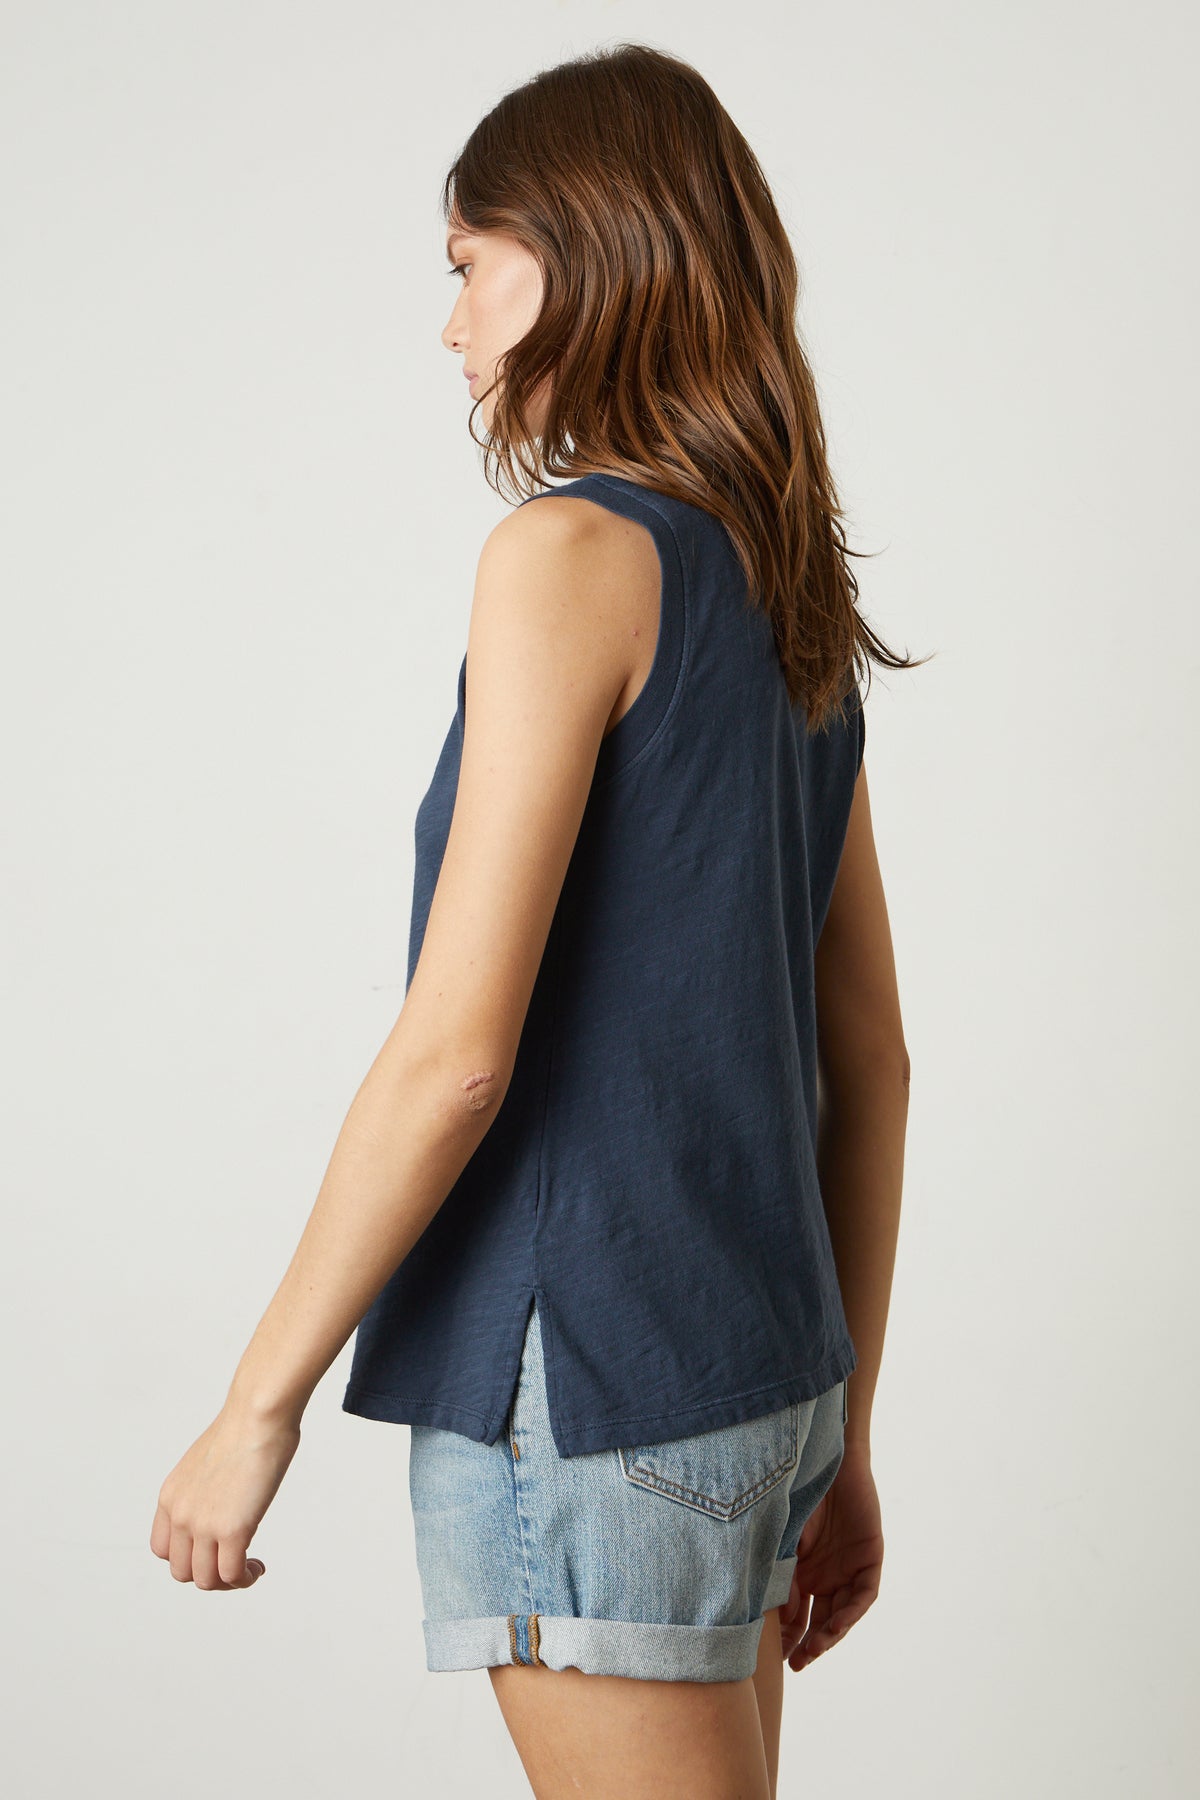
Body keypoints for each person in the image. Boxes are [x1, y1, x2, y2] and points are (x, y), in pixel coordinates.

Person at [150, 42, 918, 1800]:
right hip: (760, 1384)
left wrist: (255, 1404)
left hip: (597, 1394)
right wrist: (844, 1432)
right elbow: (869, 1053)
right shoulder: (782, 571)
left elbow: (454, 1057)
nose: (453, 327)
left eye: (467, 264)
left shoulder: (570, 558)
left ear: (581, 249)